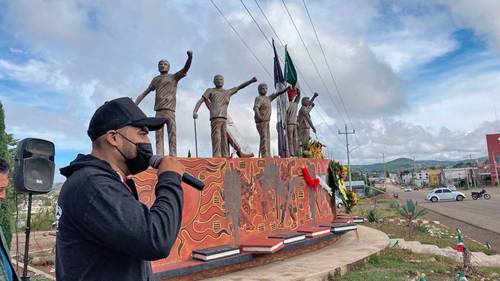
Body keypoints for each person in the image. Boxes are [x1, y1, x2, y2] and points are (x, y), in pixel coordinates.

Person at [56, 97, 186, 281]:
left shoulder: (104, 181)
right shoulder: (93, 185)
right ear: (114, 138)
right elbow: (156, 239)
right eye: (142, 134)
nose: (147, 142)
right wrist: (170, 178)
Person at [135, 50, 193, 157]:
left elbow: (186, 69)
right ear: (158, 67)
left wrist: (189, 57)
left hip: (170, 111)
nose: (162, 66)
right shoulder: (156, 80)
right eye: (160, 64)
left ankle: (173, 154)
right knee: (159, 134)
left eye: (165, 64)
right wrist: (135, 104)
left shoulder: (173, 77)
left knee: (172, 133)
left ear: (169, 67)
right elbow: (145, 92)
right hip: (159, 111)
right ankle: (159, 154)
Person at [193, 75, 257, 157]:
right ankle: (217, 155)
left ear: (223, 81)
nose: (219, 81)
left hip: (224, 119)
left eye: (221, 79)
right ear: (214, 81)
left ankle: (225, 155)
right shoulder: (210, 91)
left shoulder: (227, 92)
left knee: (224, 139)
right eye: (217, 79)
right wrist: (195, 111)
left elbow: (240, 87)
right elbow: (200, 101)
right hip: (215, 119)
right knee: (217, 138)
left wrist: (251, 81)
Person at [253, 83, 289, 158]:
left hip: (267, 121)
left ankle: (268, 154)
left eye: (266, 88)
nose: (264, 89)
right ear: (259, 90)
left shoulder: (268, 98)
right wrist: (259, 117)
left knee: (267, 138)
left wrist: (285, 89)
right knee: (264, 139)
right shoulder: (259, 98)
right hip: (261, 121)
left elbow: (277, 93)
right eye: (262, 88)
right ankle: (265, 155)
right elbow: (256, 108)